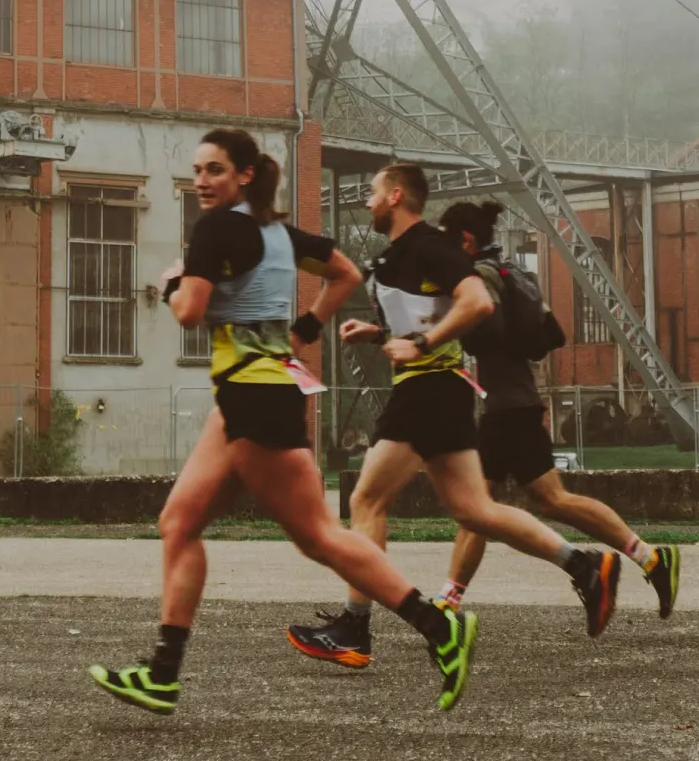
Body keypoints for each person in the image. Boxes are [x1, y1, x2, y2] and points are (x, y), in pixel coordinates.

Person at [90, 130, 481, 716]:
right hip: (249, 395)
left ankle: (437, 626)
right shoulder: (278, 232)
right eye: (198, 171)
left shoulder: (218, 229)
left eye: (215, 170)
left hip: (256, 398)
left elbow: (190, 312)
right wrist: (308, 326)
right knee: (179, 521)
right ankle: (162, 673)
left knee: (319, 537)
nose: (202, 181)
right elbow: (344, 273)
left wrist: (173, 282)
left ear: (245, 175)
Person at [287, 163, 620, 669]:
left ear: (396, 196)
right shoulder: (401, 254)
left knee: (367, 499)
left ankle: (354, 627)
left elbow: (477, 302)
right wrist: (379, 336)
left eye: (373, 191)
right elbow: (433, 314)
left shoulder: (429, 246)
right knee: (475, 512)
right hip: (441, 391)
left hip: (427, 391)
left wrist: (420, 344)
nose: (368, 199)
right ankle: (584, 565)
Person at [431, 200, 682, 618]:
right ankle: (649, 559)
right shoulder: (512, 270)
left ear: (465, 240)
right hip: (515, 403)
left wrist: (453, 334)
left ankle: (448, 602)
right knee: (535, 501)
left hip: (506, 408)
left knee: (489, 507)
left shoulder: (482, 276)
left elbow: (486, 323)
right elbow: (545, 333)